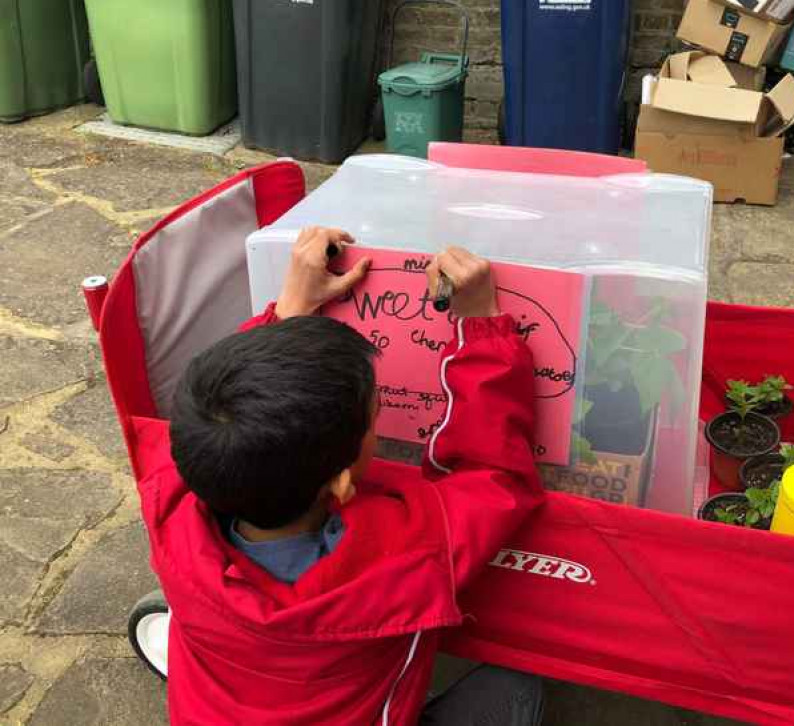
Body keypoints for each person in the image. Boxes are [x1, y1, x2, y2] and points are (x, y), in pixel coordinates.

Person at [140, 226, 545, 725]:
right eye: (374, 416)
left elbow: (220, 411)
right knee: (517, 686)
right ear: (339, 484)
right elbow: (493, 476)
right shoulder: (409, 557)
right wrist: (481, 325)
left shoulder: (169, 496)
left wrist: (289, 309)